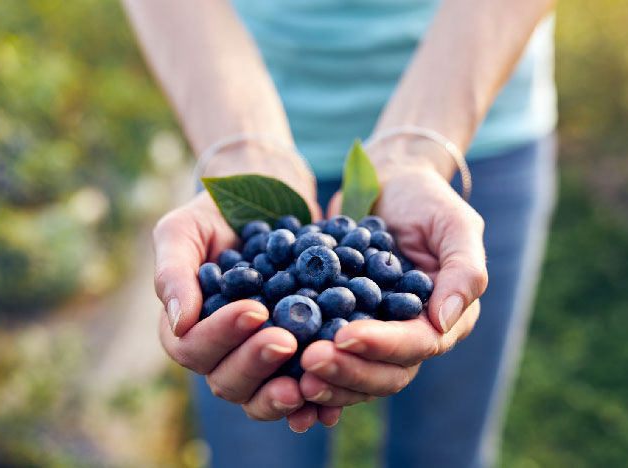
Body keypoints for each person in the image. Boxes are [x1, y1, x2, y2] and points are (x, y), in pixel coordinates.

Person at [123, 0, 557, 466]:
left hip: (479, 122)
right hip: (233, 120)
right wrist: (241, 151)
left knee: (445, 451)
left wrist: (416, 150)